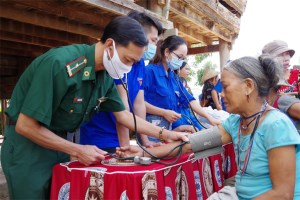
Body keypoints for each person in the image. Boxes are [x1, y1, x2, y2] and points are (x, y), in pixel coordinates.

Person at [1, 16, 188, 199]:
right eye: (128, 60)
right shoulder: (59, 64)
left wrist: (166, 134)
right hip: (27, 147)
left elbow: (123, 115)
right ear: (109, 45)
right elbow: (25, 126)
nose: (129, 68)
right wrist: (77, 150)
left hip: (59, 143)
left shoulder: (105, 75)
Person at [117, 55, 300, 199]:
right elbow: (190, 144)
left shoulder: (276, 125)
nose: (220, 93)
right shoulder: (236, 123)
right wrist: (142, 153)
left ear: (248, 86)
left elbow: (282, 195)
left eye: (226, 86)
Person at [80, 11, 164, 151]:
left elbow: (139, 103)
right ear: (138, 35)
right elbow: (122, 111)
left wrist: (145, 140)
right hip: (100, 138)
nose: (155, 46)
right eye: (153, 40)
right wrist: (126, 148)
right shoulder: (118, 62)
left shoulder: (139, 63)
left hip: (121, 136)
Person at [143, 35, 220, 142]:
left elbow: (190, 101)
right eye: (179, 57)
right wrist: (163, 112)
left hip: (169, 129)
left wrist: (210, 118)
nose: (180, 61)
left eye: (183, 58)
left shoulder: (174, 78)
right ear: (166, 52)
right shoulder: (149, 72)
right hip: (150, 129)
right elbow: (138, 103)